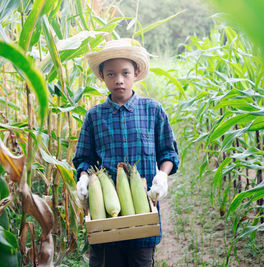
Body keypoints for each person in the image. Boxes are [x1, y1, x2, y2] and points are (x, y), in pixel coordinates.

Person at [72, 38, 179, 267]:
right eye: (110, 74)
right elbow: (84, 158)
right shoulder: (94, 116)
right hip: (106, 220)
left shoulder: (153, 111)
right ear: (102, 76)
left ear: (136, 73)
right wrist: (83, 178)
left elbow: (168, 153)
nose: (118, 80)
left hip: (144, 218)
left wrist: (162, 175)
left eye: (125, 73)